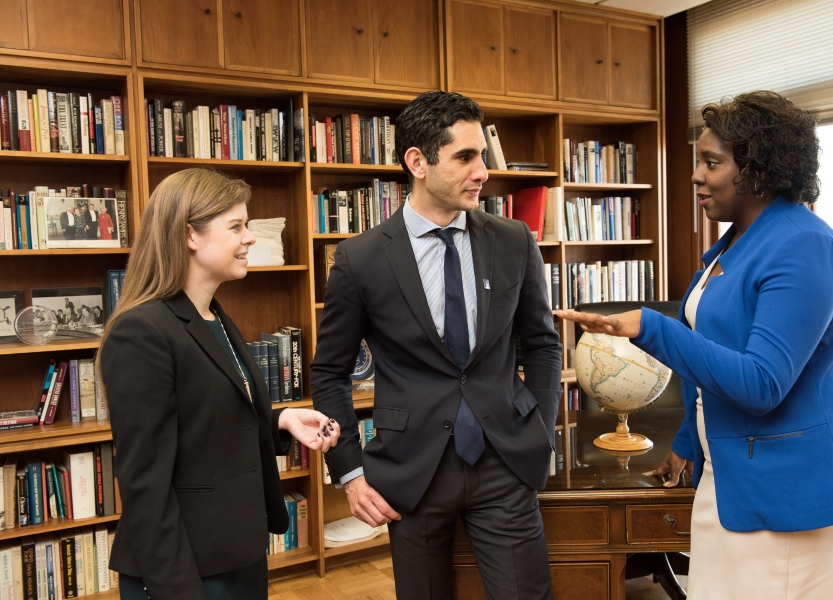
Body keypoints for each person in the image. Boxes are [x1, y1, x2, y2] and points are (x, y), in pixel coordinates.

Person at [556, 90, 833, 599]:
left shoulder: (805, 245)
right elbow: (711, 352)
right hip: (730, 475)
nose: (695, 176)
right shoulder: (734, 241)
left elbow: (761, 384)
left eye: (711, 162)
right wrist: (689, 442)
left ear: (759, 169)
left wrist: (651, 326)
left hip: (790, 489)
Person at [311, 91, 562, 599]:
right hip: (409, 472)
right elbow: (328, 373)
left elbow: (542, 345)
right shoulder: (359, 260)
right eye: (465, 157)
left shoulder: (515, 241)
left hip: (504, 462)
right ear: (418, 162)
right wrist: (351, 473)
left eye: (483, 156)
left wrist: (539, 430)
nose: (483, 171)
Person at [96, 168, 341, 600]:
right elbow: (144, 483)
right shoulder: (142, 332)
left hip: (237, 552)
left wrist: (280, 421)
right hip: (184, 570)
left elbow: (204, 425)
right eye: (236, 226)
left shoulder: (215, 318)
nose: (250, 237)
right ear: (190, 235)